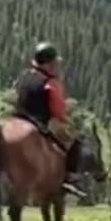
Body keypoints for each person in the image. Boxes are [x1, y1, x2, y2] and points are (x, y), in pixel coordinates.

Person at [12, 41, 85, 197]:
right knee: (75, 141)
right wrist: (68, 123)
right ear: (50, 64)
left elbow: (15, 94)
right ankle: (68, 178)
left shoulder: (24, 76)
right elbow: (58, 112)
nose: (56, 66)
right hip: (38, 124)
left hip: (17, 120)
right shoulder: (50, 83)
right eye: (54, 63)